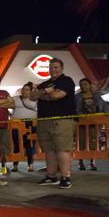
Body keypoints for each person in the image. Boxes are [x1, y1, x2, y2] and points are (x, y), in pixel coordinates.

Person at [29, 57, 76, 189]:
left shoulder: (66, 81)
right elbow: (32, 96)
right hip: (44, 120)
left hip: (62, 120)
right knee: (48, 150)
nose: (53, 70)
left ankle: (66, 177)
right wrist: (46, 92)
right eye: (51, 67)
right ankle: (51, 176)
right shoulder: (46, 84)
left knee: (62, 149)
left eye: (56, 67)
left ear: (61, 68)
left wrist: (42, 94)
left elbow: (57, 96)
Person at [75, 77, 107, 171]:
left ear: (90, 85)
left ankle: (92, 162)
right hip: (81, 122)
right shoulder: (77, 96)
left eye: (85, 84)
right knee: (81, 142)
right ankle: (80, 163)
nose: (83, 86)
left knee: (93, 142)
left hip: (95, 122)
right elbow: (75, 108)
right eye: (81, 85)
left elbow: (104, 105)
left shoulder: (97, 95)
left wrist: (104, 115)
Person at [11, 82, 38, 172]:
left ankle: (30, 165)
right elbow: (5, 106)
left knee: (30, 145)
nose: (24, 91)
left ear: (31, 91)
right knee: (17, 144)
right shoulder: (15, 98)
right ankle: (15, 165)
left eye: (27, 90)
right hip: (16, 125)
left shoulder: (35, 99)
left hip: (31, 124)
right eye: (23, 89)